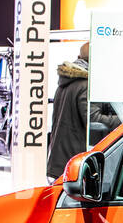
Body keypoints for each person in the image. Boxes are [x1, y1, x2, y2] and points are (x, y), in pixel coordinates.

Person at [45, 42, 119, 180]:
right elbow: (94, 120)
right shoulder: (87, 84)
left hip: (61, 159)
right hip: (76, 163)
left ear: (79, 57)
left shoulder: (65, 82)